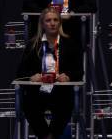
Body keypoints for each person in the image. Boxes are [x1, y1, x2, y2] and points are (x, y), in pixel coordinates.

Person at [17, 7, 83, 139]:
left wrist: (68, 76)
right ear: (42, 24)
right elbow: (20, 72)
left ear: (60, 23)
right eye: (48, 20)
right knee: (29, 104)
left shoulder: (70, 44)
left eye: (55, 20)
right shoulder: (33, 45)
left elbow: (79, 71)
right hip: (38, 92)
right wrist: (31, 76)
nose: (52, 23)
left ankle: (50, 136)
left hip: (60, 92)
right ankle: (47, 136)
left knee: (65, 104)